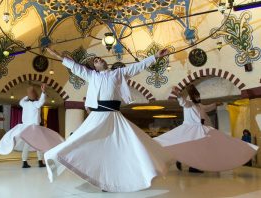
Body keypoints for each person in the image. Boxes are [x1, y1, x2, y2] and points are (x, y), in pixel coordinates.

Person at [45, 47, 172, 192]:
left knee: (125, 144)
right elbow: (75, 67)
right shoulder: (92, 75)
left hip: (114, 117)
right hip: (97, 117)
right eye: (96, 61)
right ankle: (57, 156)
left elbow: (137, 67)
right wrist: (58, 55)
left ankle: (119, 179)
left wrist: (155, 56)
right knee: (80, 140)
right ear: (95, 67)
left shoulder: (118, 73)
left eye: (100, 58)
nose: (99, 60)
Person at [154, 85, 259, 172]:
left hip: (202, 129)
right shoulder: (189, 104)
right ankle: (186, 162)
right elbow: (183, 102)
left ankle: (195, 165)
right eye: (196, 96)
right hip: (191, 129)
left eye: (198, 96)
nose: (198, 97)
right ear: (193, 96)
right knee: (183, 145)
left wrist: (215, 104)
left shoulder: (199, 105)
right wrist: (178, 95)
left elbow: (207, 107)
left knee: (208, 145)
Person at [0, 84, 64, 168]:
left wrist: (28, 95)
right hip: (34, 128)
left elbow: (21, 101)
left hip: (25, 128)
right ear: (35, 97)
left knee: (27, 145)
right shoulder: (35, 104)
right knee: (39, 144)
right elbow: (41, 101)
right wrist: (43, 92)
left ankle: (24, 162)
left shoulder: (24, 104)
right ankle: (40, 161)